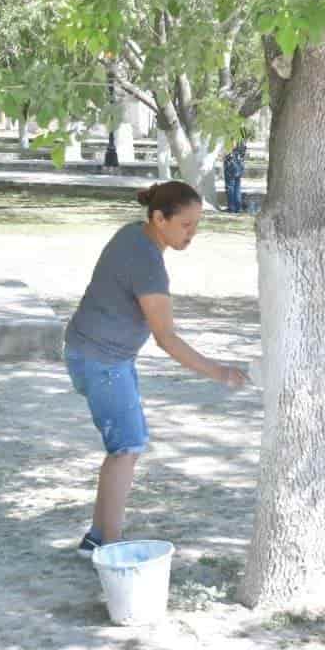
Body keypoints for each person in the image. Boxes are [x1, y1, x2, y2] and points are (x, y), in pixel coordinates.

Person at [65, 181, 247, 557]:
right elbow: (166, 338)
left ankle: (98, 538)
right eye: (185, 225)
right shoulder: (146, 261)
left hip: (96, 354)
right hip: (102, 361)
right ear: (159, 218)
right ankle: (109, 549)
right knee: (126, 448)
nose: (192, 234)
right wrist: (221, 372)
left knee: (126, 445)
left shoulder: (133, 235)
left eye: (196, 225)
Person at [222, 140, 247, 213]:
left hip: (231, 162)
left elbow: (233, 144)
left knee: (230, 186)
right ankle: (237, 207)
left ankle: (231, 207)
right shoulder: (243, 131)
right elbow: (244, 146)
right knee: (237, 186)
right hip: (239, 162)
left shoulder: (232, 131)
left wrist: (225, 153)